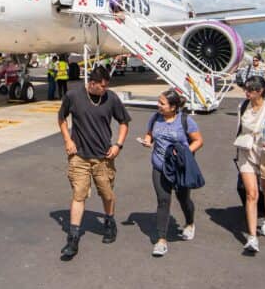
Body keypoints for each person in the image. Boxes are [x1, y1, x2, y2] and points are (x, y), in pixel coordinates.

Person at [58, 65, 131, 259]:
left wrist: (118, 145)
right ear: (92, 83)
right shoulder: (73, 96)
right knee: (79, 195)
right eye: (102, 86)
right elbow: (61, 118)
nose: (105, 89)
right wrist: (68, 140)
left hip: (103, 157)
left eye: (106, 86)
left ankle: (109, 221)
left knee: (107, 194)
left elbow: (124, 122)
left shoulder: (111, 98)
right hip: (79, 157)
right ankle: (73, 237)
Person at [137, 89, 203, 257]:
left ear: (173, 107)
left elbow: (198, 140)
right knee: (163, 200)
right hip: (159, 166)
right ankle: (161, 241)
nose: (158, 105)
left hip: (180, 168)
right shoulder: (155, 118)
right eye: (158, 102)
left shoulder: (185, 121)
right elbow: (150, 134)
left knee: (184, 199)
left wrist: (184, 153)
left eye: (162, 103)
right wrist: (147, 140)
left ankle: (190, 223)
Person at [233, 75, 265, 251]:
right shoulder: (242, 107)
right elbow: (239, 129)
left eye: (250, 90)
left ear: (260, 91)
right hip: (247, 153)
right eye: (245, 89)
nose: (246, 92)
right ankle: (252, 238)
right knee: (251, 194)